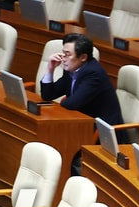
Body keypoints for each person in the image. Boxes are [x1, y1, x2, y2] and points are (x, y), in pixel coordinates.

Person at [41, 34, 123, 174]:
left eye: (67, 54)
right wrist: (50, 69)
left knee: (60, 146)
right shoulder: (72, 70)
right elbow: (48, 95)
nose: (63, 58)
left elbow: (72, 104)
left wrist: (65, 100)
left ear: (83, 57)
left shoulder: (94, 74)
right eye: (63, 53)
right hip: (84, 125)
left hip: (104, 134)